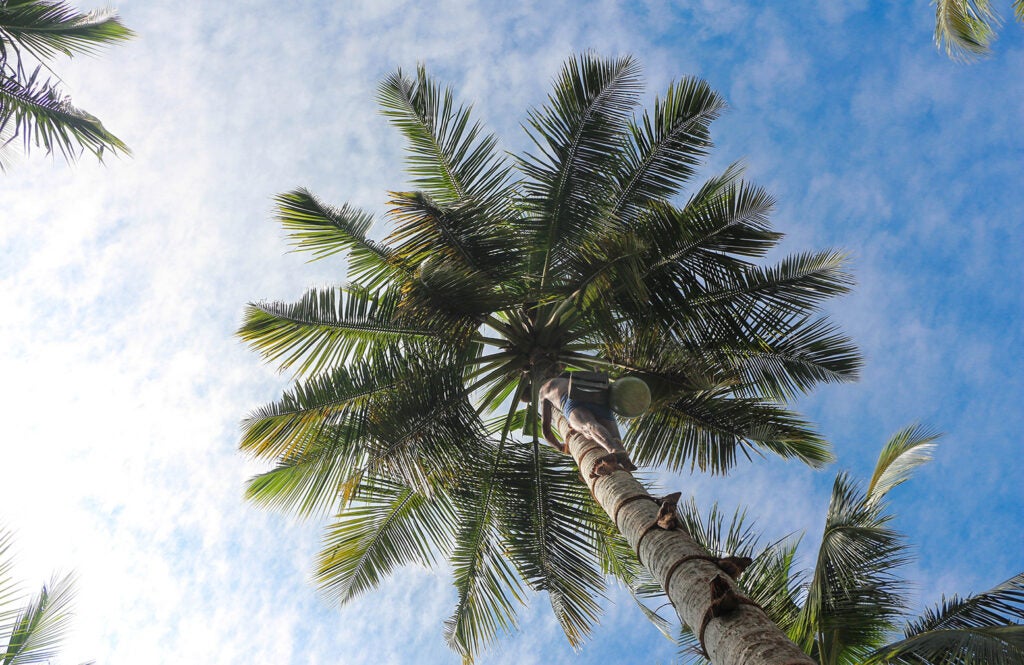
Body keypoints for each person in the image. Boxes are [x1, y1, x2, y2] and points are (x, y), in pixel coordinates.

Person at [538, 377, 637, 476]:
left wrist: (560, 447)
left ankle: (613, 450)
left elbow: (546, 431)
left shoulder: (543, 390)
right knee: (615, 438)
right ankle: (624, 462)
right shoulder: (565, 377)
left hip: (571, 399)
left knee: (589, 426)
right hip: (595, 394)